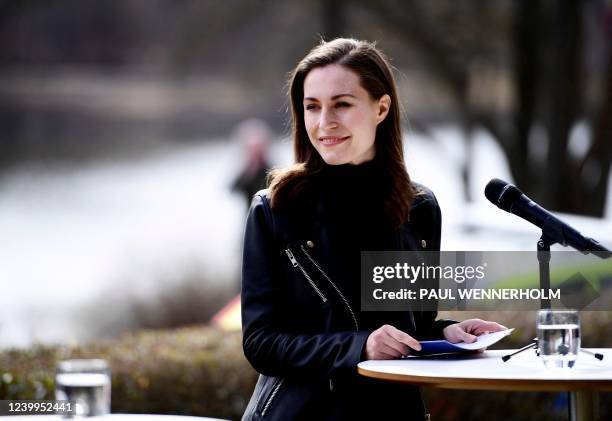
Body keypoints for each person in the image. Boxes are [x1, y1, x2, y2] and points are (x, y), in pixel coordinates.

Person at [240, 38, 506, 421]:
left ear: (381, 107)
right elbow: (261, 342)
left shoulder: (420, 208)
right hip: (303, 413)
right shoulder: (276, 208)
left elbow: (411, 325)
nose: (324, 122)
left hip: (393, 411)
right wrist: (360, 346)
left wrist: (449, 334)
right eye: (312, 106)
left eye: (342, 105)